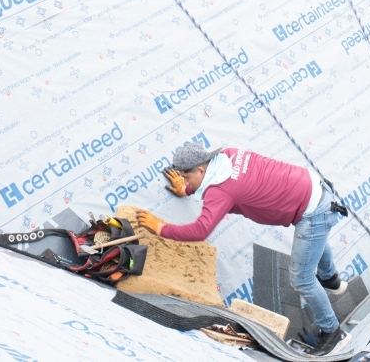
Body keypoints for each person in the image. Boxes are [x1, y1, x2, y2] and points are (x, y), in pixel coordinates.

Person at [136, 142, 348, 356]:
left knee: (301, 278)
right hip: (314, 188)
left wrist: (160, 227)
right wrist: (188, 188)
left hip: (313, 212)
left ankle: (332, 331)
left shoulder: (220, 192)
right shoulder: (229, 154)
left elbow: (200, 231)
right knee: (315, 240)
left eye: (186, 177)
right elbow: (215, 182)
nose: (184, 180)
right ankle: (331, 280)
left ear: (200, 169)